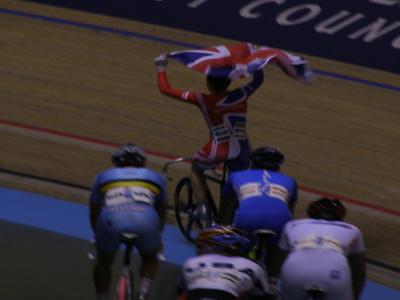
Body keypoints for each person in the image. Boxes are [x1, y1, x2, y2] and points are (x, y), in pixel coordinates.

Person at [155, 53, 265, 215]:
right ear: (229, 81)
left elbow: (165, 89)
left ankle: (202, 208)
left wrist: (160, 67)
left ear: (208, 83)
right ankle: (234, 213)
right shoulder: (241, 94)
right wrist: (255, 63)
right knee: (236, 186)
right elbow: (258, 80)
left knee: (196, 168)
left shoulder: (202, 99)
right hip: (243, 151)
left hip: (216, 149)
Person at [89, 143, 168, 300]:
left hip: (111, 220)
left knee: (104, 260)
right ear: (142, 162)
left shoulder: (103, 176)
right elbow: (162, 212)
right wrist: (157, 236)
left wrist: (97, 235)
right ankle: (143, 293)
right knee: (150, 257)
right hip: (145, 219)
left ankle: (102, 297)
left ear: (117, 162)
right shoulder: (157, 177)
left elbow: (94, 211)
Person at [219, 146, 298, 280]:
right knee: (277, 250)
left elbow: (226, 206)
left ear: (252, 162)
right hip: (278, 222)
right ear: (278, 166)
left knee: (236, 251)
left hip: (246, 220)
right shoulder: (290, 181)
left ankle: (235, 269)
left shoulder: (236, 176)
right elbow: (290, 211)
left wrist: (223, 227)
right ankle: (272, 280)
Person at [278, 197, 366, 300]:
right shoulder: (353, 230)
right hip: (335, 271)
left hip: (295, 268)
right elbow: (359, 272)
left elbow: (279, 258)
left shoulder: (292, 225)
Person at [178, 225, 274, 300]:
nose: (198, 250)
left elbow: (181, 291)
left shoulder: (191, 262)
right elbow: (267, 295)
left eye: (201, 246)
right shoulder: (253, 266)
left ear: (218, 246)